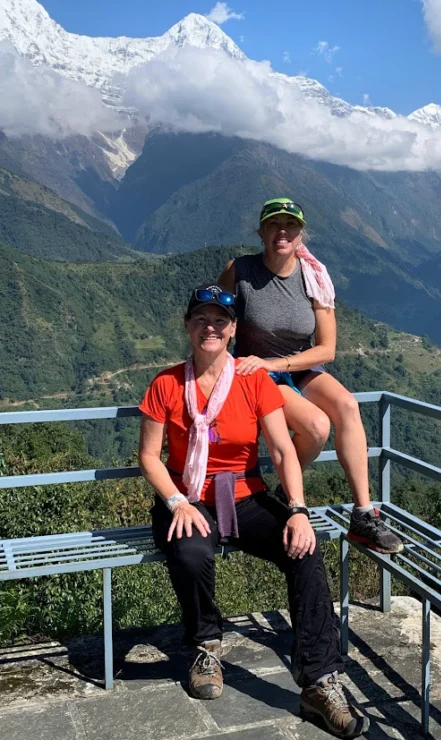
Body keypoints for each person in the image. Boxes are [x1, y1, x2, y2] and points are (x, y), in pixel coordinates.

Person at [138, 283, 369, 739]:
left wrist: (298, 510)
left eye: (219, 321)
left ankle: (320, 681)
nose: (211, 327)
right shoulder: (166, 383)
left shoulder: (253, 380)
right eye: (201, 319)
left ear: (232, 330)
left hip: (245, 495)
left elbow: (283, 450)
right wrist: (177, 501)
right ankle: (205, 645)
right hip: (187, 498)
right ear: (188, 327)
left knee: (305, 550)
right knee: (191, 554)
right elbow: (148, 456)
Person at [218, 198, 403, 555]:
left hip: (294, 367)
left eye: (290, 226)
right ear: (261, 233)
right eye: (274, 225)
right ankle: (286, 491)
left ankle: (363, 514)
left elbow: (327, 349)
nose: (282, 232)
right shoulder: (239, 270)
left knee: (348, 405)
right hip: (254, 374)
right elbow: (216, 319)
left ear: (301, 234)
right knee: (317, 427)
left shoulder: (314, 276)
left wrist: (278, 364)